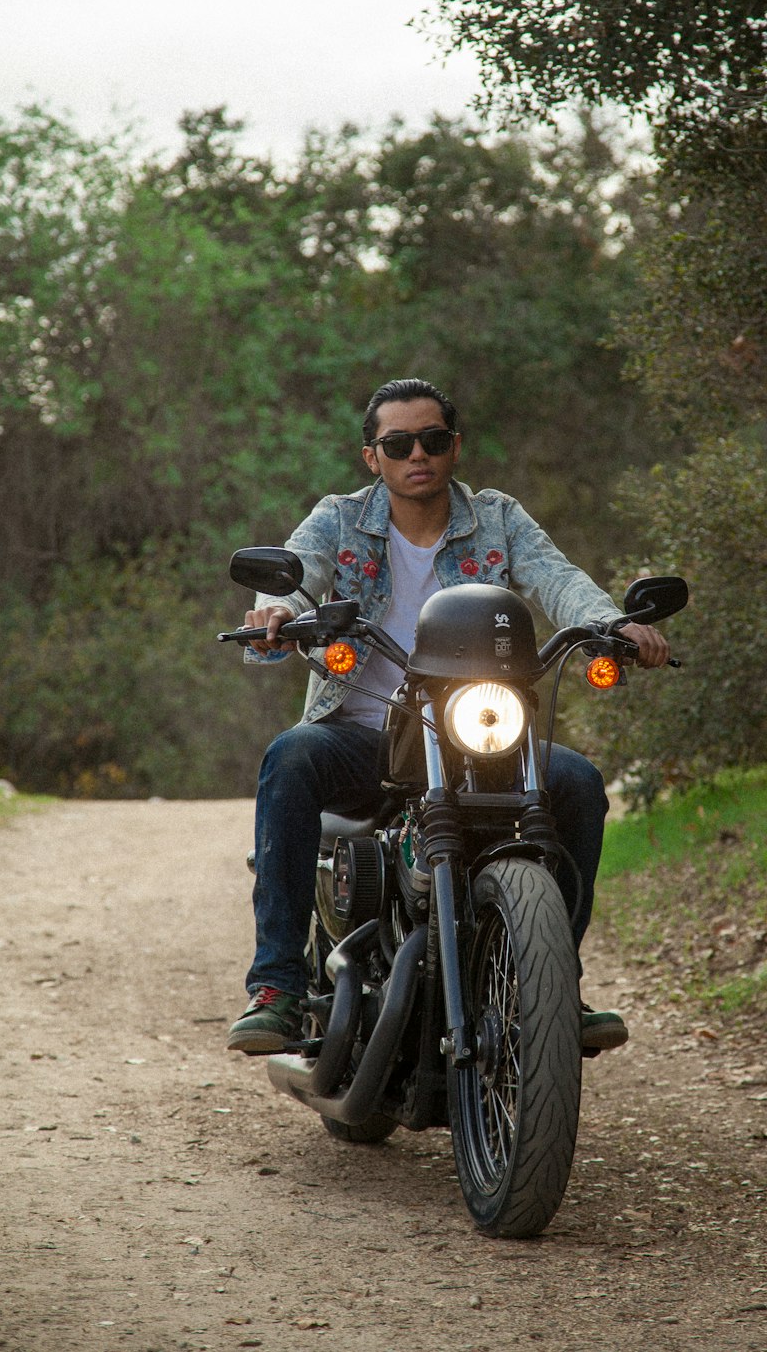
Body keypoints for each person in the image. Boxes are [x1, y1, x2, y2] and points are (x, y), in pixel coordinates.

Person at [228, 377, 671, 1055]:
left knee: (578, 783)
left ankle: (555, 982)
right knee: (290, 757)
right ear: (371, 457)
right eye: (398, 443)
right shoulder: (340, 519)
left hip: (482, 736)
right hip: (365, 736)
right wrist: (279, 612)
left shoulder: (496, 519)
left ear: (454, 446)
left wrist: (609, 621)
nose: (418, 454)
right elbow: (303, 568)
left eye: (432, 439)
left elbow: (557, 578)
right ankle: (278, 987)